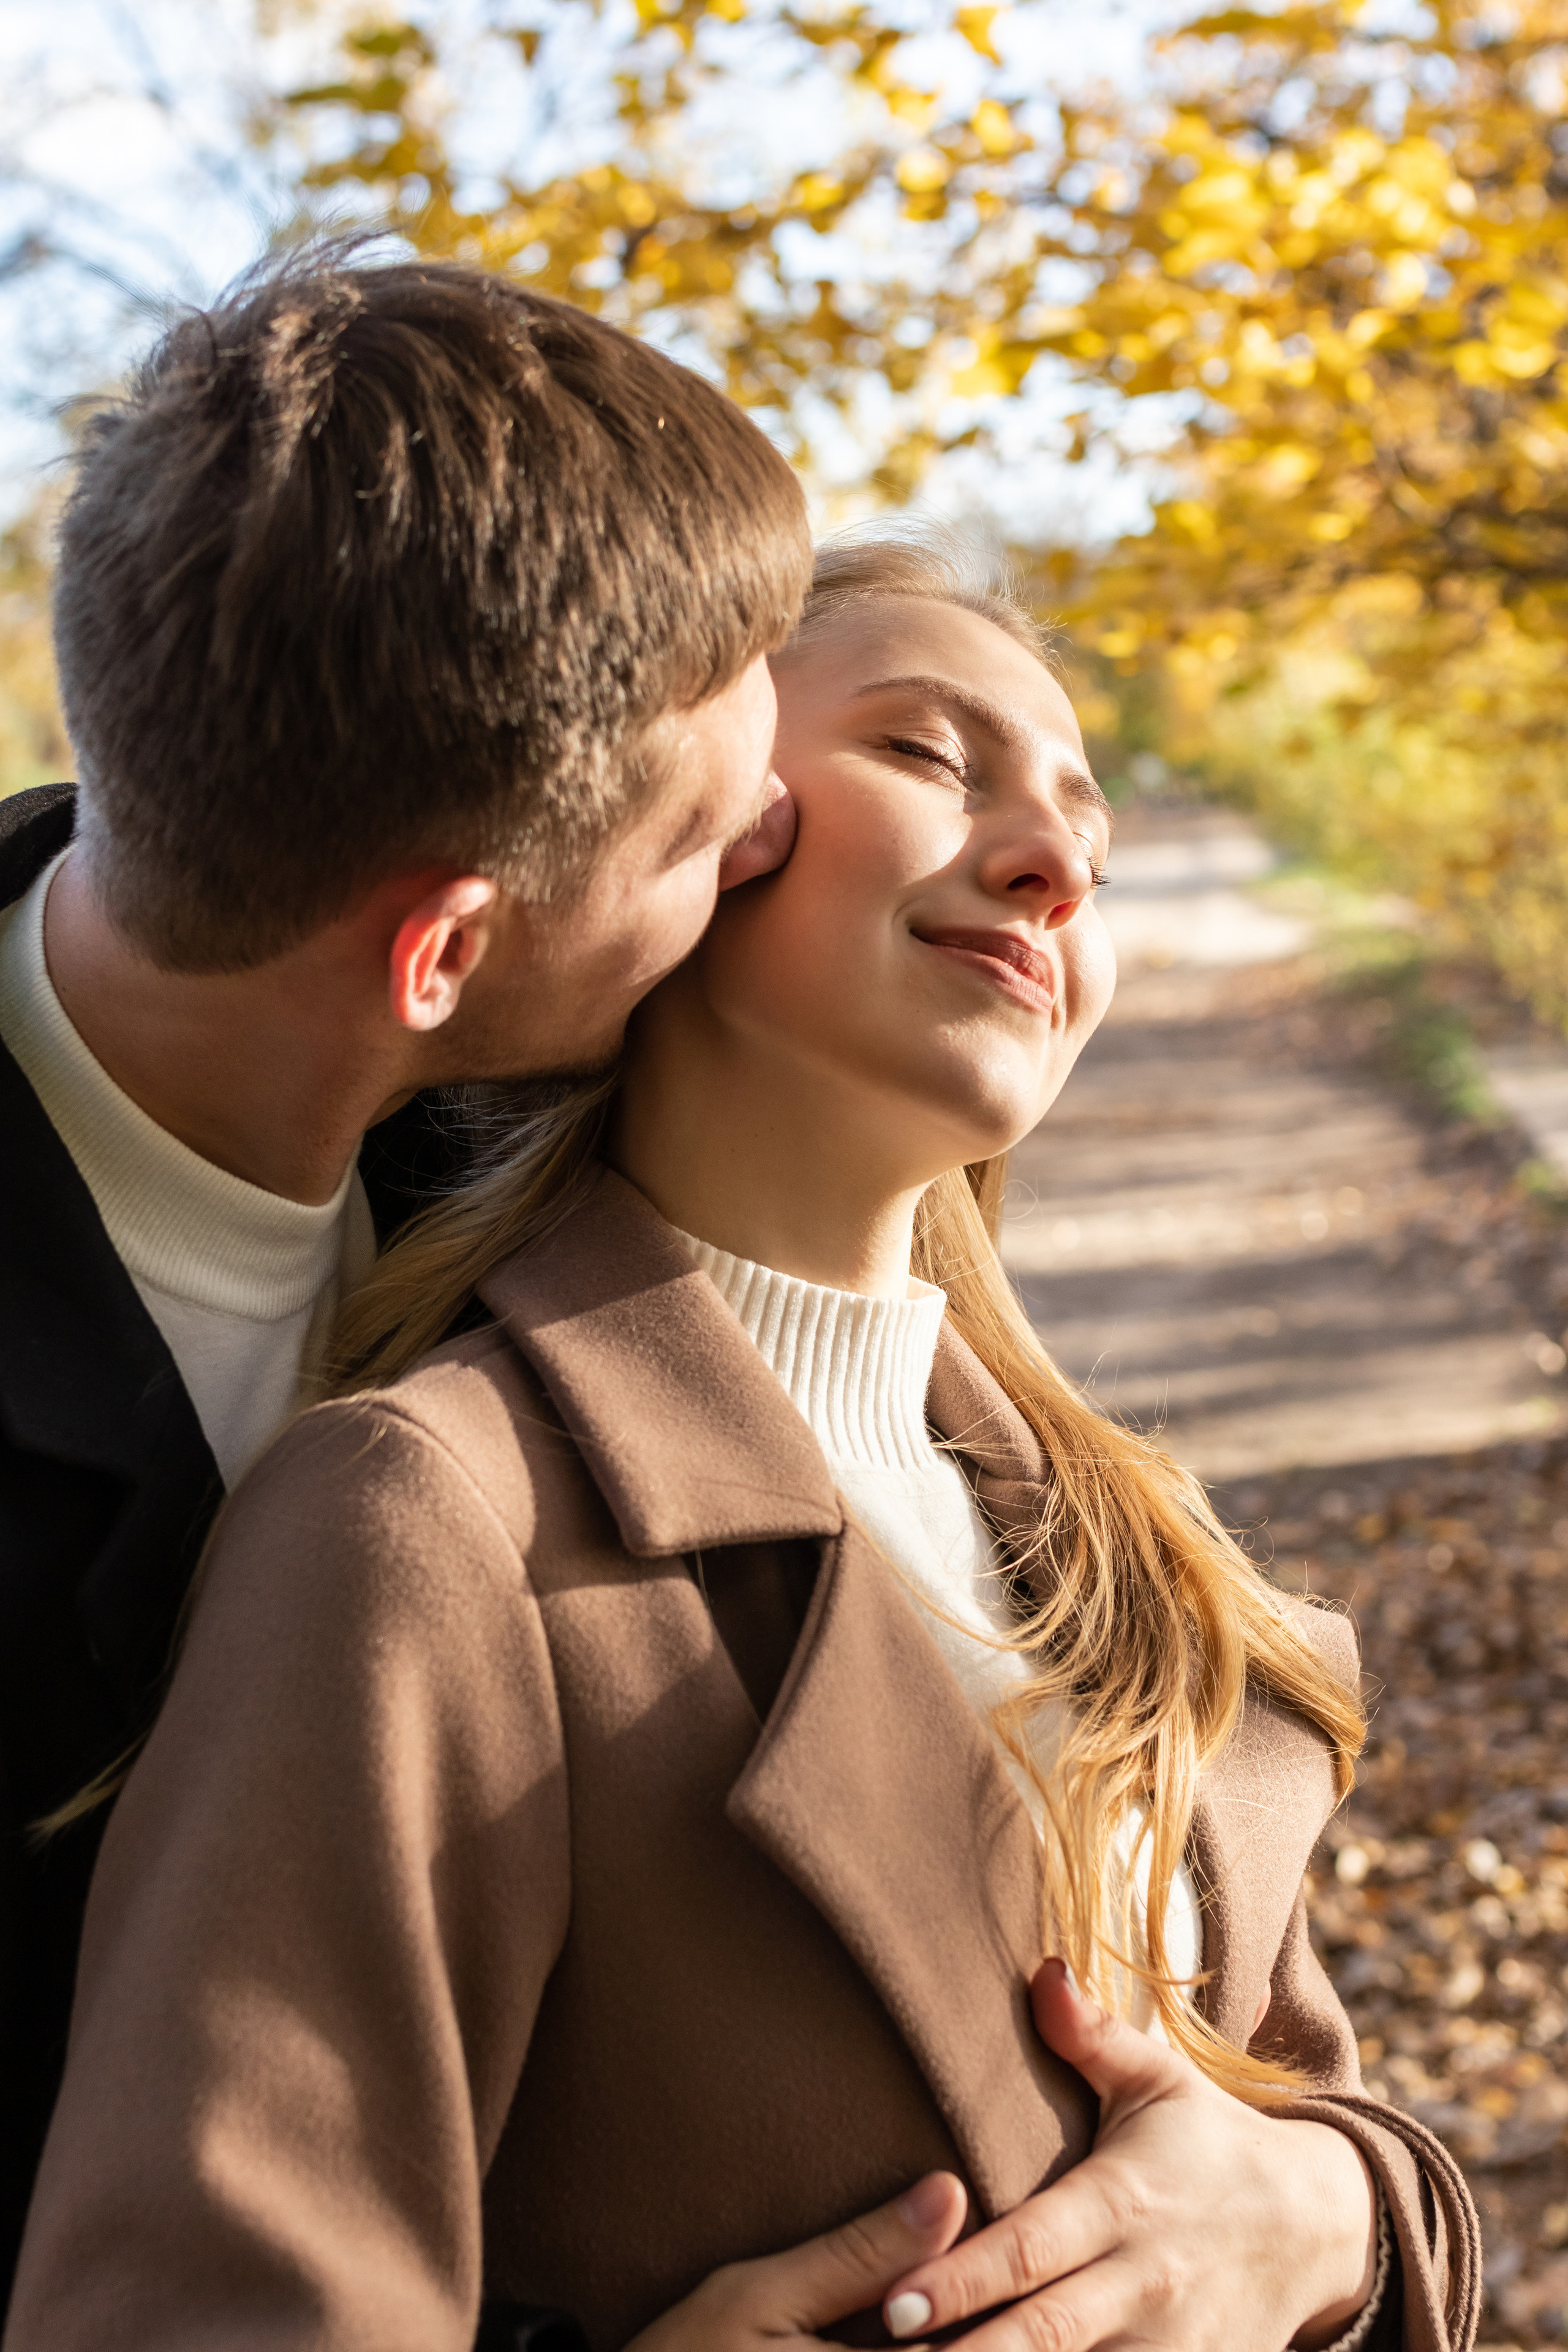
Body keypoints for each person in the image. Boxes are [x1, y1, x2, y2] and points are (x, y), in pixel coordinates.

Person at [6, 535, 1479, 2352]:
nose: (1054, 861)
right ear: (694, 822)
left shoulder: (1116, 1534)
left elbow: (1307, 2114)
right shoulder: (428, 1517)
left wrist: (1329, 2216)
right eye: (928, 754)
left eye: (1091, 838)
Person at [0, 244, 812, 2306]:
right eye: (700, 840)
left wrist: (1309, 2179)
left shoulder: (580, 1108)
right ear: (442, 950)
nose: (774, 839)